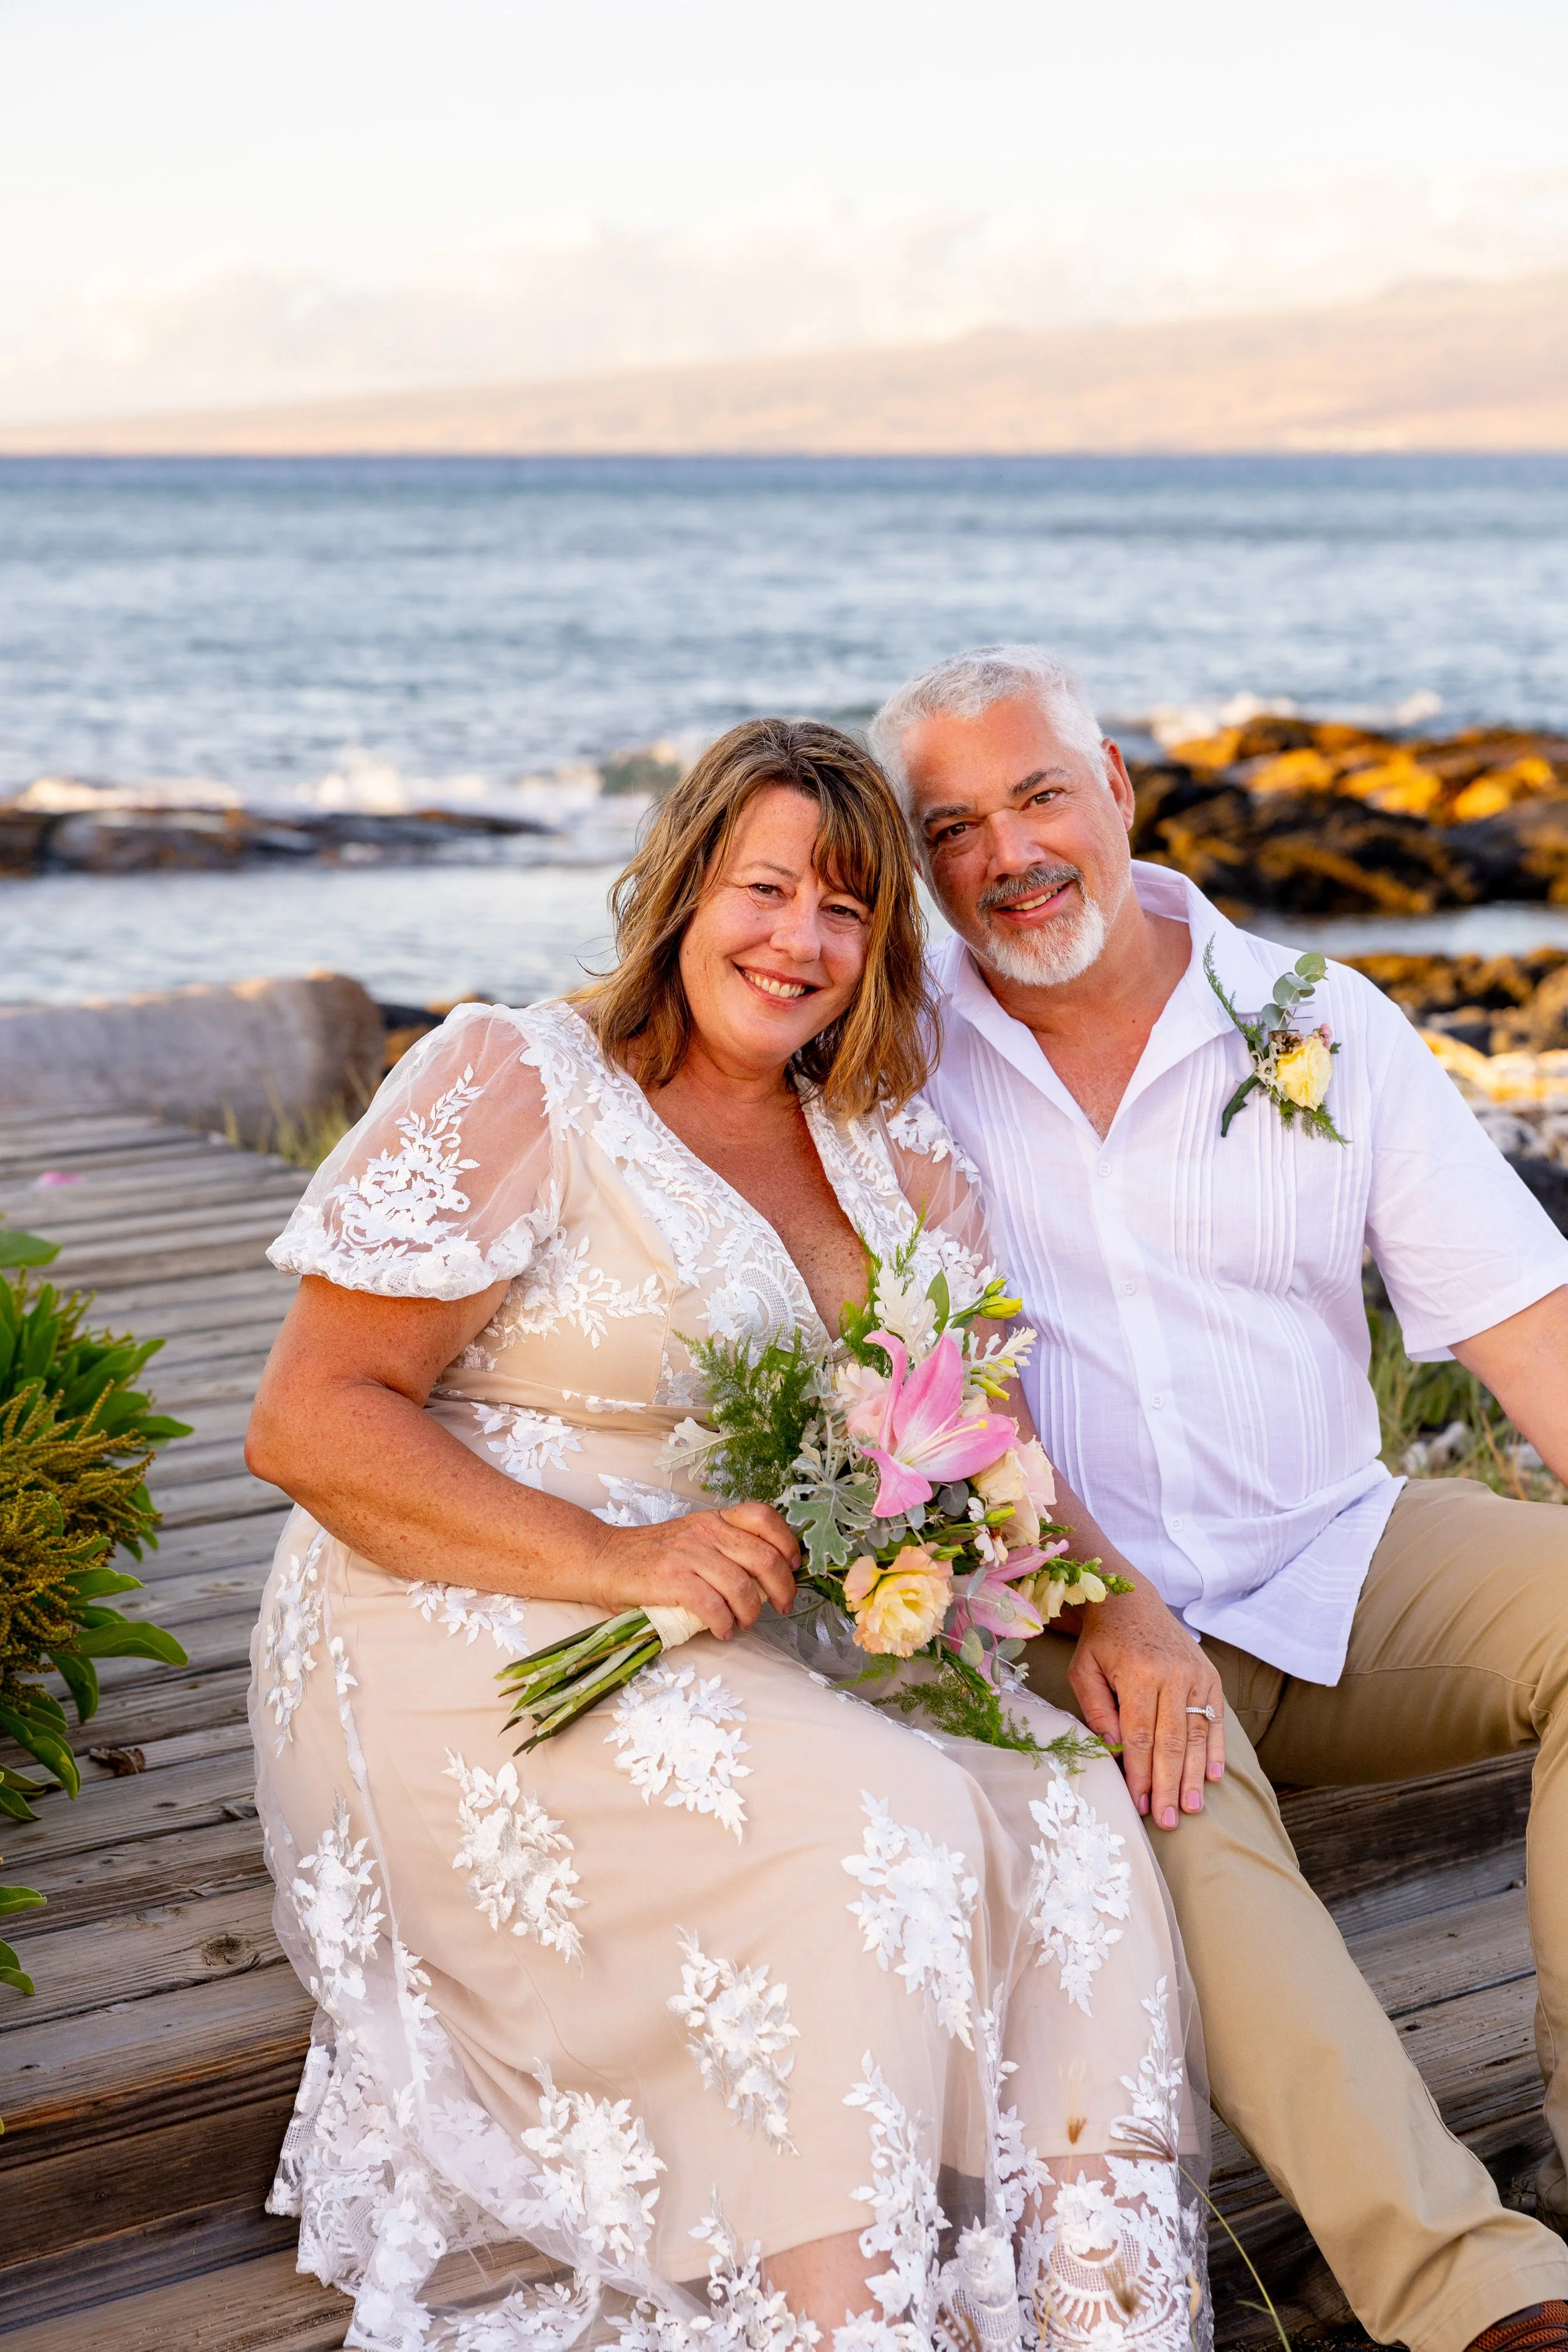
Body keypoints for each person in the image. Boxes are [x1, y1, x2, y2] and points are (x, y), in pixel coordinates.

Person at [245, 718, 1207, 2352]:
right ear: (682, 887)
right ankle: (844, 2315)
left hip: (748, 1620)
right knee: (878, 1813)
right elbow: (312, 1418)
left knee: (1063, 1806)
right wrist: (614, 1556)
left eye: (846, 911)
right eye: (766, 889)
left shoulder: (891, 1153)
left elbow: (973, 1425)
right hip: (463, 1605)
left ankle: (1100, 2310)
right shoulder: (517, 1078)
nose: (800, 942)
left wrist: (1110, 1600)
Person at [870, 643, 1568, 2352]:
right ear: (915, 864)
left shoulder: (1320, 1020)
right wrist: (1105, 1601)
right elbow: (935, 1389)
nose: (1008, 854)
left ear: (1116, 787)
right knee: (1174, 1796)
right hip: (1062, 1600)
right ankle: (1475, 2293)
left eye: (1038, 795)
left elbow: (1521, 1324)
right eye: (950, 826)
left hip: (1338, 1551)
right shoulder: (895, 1059)